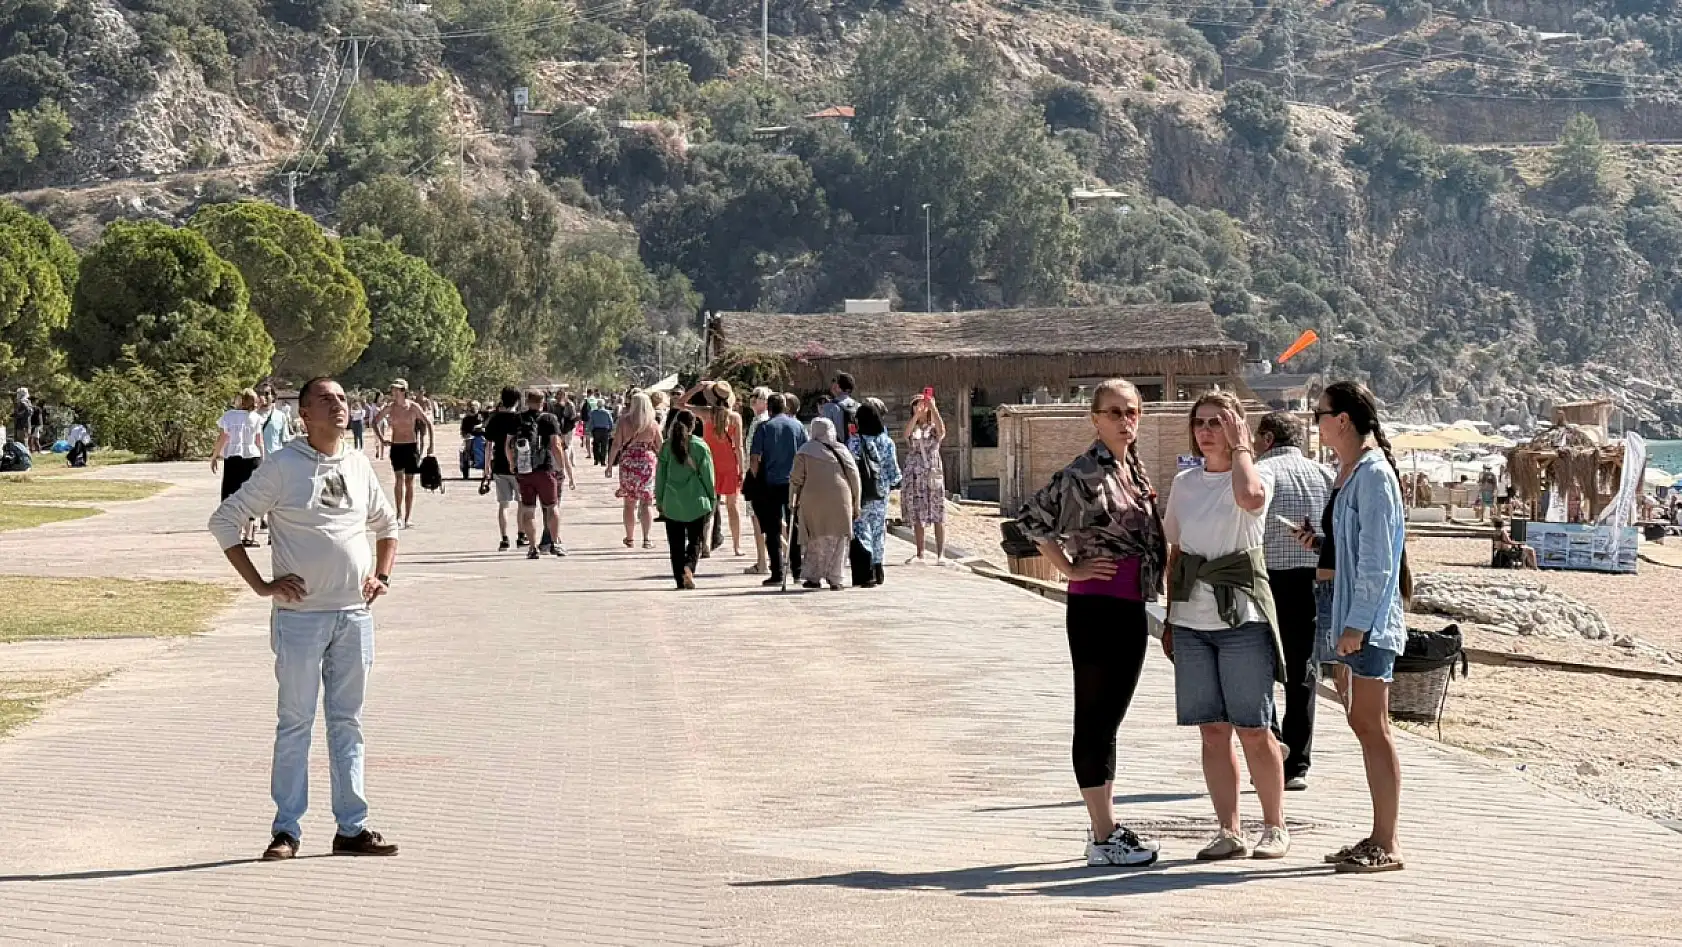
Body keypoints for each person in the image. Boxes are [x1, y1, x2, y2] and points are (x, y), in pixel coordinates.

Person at [209, 376, 401, 862]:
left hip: (353, 616)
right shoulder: (283, 466)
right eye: (325, 400)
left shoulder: (358, 463)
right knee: (295, 722)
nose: (338, 406)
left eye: (342, 398)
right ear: (305, 416)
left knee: (347, 723)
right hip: (300, 619)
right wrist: (261, 585)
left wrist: (381, 575)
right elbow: (224, 520)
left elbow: (387, 525)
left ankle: (352, 827)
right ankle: (286, 830)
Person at [1016, 378, 1165, 867]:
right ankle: (1103, 835)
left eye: (1133, 412)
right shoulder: (1084, 472)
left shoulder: (1132, 469)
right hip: (1097, 604)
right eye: (1115, 412)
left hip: (1128, 605)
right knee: (1095, 717)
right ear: (1095, 418)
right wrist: (1069, 567)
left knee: (1111, 719)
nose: (1126, 421)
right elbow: (1032, 519)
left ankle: (1104, 824)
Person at [1162, 390, 1290, 861]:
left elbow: (1250, 499)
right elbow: (1176, 551)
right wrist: (1171, 618)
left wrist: (1241, 449)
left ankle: (1274, 825)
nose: (1206, 430)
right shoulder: (1184, 483)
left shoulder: (1258, 473)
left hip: (1242, 617)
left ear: (1238, 426)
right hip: (1193, 616)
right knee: (1211, 729)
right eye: (1200, 422)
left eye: (1218, 422)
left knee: (1254, 726)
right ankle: (1228, 829)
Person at [1314, 380, 1409, 873]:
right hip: (1356, 618)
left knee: (1373, 725)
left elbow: (1377, 560)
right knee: (1363, 723)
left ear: (1343, 420)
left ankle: (1387, 841)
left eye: (1320, 414)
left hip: (1367, 622)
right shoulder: (1353, 473)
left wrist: (1355, 625)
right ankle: (1378, 835)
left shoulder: (1373, 475)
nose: (1317, 423)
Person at [1255, 411, 1333, 792]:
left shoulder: (1263, 471)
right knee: (1303, 672)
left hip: (1271, 579)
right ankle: (1298, 764)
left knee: (1260, 669)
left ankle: (1272, 751)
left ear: (1267, 438)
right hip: (1315, 580)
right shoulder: (1324, 474)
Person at [791, 417, 860, 591]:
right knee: (839, 539)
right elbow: (854, 477)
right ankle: (836, 578)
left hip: (813, 500)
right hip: (840, 499)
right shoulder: (842, 450)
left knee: (815, 538)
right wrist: (856, 501)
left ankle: (813, 577)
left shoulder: (804, 451)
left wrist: (792, 500)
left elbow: (796, 479)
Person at [507, 389, 574, 560]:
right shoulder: (549, 419)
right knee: (552, 507)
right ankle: (555, 543)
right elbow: (555, 445)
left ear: (527, 401)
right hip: (545, 469)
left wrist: (513, 464)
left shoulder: (517, 419)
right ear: (543, 402)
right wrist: (560, 467)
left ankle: (532, 547)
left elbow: (508, 445)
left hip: (525, 471)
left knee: (528, 510)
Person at [749, 393, 808, 586]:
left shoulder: (764, 428)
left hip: (770, 483)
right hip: (793, 483)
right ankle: (798, 571)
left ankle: (777, 571)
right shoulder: (798, 426)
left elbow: (755, 458)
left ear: (769, 408)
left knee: (772, 529)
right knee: (794, 526)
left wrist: (755, 478)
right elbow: (805, 453)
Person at [655, 409, 717, 590]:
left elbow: (660, 476)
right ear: (693, 426)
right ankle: (689, 568)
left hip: (672, 502)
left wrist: (659, 500)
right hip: (696, 501)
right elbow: (707, 475)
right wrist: (711, 497)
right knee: (695, 541)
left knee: (675, 544)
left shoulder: (667, 447)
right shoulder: (700, 446)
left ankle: (679, 579)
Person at [848, 400, 901, 588]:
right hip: (881, 493)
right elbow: (894, 472)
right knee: (879, 531)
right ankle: (878, 567)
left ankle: (866, 570)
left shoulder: (855, 441)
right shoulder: (887, 442)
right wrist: (893, 483)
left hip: (860, 493)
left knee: (861, 530)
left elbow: (850, 468)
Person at [372, 380, 432, 529]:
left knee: (409, 481)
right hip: (397, 446)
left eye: (397, 389)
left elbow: (428, 423)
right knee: (398, 479)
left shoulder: (413, 406)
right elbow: (374, 421)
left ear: (403, 390)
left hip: (411, 446)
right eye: (393, 389)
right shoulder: (390, 408)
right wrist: (381, 439)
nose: (394, 392)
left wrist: (431, 445)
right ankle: (398, 514)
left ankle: (408, 517)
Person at [211, 388, 266, 548]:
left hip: (234, 457)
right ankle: (249, 535)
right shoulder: (256, 418)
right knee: (249, 495)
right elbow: (259, 441)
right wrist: (263, 459)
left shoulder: (229, 416)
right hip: (252, 457)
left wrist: (215, 455)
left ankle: (235, 532)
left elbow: (223, 437)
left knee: (231, 493)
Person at [699, 382, 747, 557]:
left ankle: (704, 545)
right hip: (730, 466)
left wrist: (698, 388)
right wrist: (742, 470)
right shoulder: (735, 418)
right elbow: (739, 446)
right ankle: (737, 546)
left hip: (709, 466)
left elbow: (680, 404)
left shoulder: (705, 414)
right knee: (733, 508)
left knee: (708, 507)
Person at [609, 392, 662, 549]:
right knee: (647, 502)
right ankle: (646, 538)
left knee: (629, 503)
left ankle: (630, 538)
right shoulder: (652, 423)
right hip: (647, 461)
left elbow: (616, 444)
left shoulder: (624, 421)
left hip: (628, 461)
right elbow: (660, 446)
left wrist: (610, 464)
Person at [901, 392, 948, 563]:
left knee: (938, 511)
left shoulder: (933, 428)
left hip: (932, 471)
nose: (919, 406)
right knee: (918, 511)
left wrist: (933, 408)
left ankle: (940, 554)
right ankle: (920, 552)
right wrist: (916, 417)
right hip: (915, 473)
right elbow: (905, 435)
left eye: (921, 403)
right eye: (916, 403)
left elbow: (942, 431)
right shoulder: (913, 428)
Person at [742, 387, 774, 576]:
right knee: (767, 521)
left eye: (758, 397)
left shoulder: (761, 422)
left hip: (758, 477)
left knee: (761, 522)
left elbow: (756, 454)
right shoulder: (757, 421)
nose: (753, 400)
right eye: (752, 396)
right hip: (760, 476)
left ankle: (763, 561)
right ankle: (764, 559)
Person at [588, 399, 615, 466]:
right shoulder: (607, 412)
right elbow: (611, 422)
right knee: (604, 446)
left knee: (596, 445)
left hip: (596, 430)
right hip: (604, 430)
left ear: (597, 405)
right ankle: (603, 461)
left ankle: (596, 460)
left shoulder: (593, 412)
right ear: (603, 404)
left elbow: (591, 422)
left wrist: (590, 430)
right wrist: (611, 429)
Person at [12, 388, 35, 453]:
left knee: (22, 442)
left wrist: (17, 415)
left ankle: (25, 456)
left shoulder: (23, 402)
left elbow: (26, 412)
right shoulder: (28, 402)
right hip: (26, 425)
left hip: (22, 425)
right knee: (23, 441)